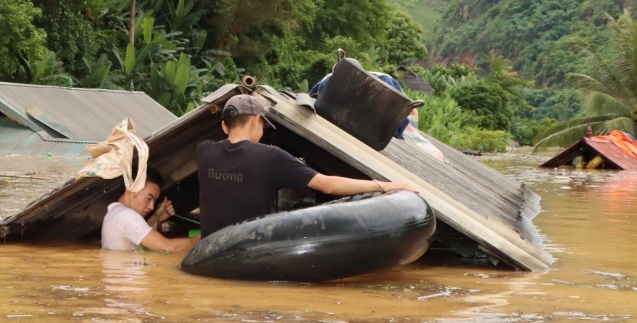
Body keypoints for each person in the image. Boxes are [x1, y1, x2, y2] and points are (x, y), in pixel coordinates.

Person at [196, 94, 419, 237]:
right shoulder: (270, 157)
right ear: (256, 121)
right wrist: (385, 186)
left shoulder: (204, 151)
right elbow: (327, 185)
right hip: (245, 248)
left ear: (225, 126)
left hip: (210, 247)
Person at [101, 168, 194, 254]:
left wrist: (158, 218)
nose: (152, 207)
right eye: (148, 199)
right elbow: (170, 247)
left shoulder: (114, 212)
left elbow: (140, 237)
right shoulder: (126, 215)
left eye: (155, 201)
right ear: (131, 191)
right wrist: (204, 239)